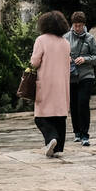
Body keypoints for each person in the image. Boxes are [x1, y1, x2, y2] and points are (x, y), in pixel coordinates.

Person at [30, 11, 71, 157]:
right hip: (62, 84)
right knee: (60, 116)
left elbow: (35, 62)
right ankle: (58, 148)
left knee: (40, 117)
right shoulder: (66, 43)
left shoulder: (41, 40)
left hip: (46, 83)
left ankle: (51, 138)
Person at [64, 11, 96, 146]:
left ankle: (85, 135)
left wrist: (85, 59)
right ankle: (77, 132)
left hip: (86, 75)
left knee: (83, 104)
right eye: (75, 25)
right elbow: (61, 54)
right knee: (74, 105)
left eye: (80, 26)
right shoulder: (66, 37)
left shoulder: (90, 38)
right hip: (71, 76)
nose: (77, 28)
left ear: (83, 25)